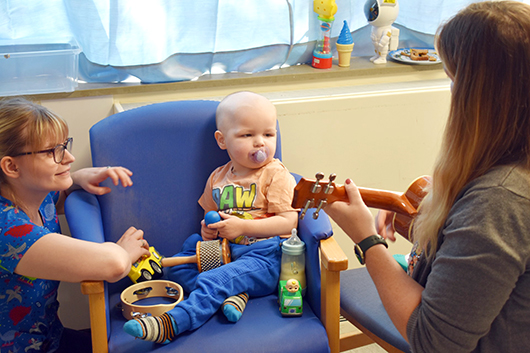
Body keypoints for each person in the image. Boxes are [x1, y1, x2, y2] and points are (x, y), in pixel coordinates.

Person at [325, 2, 530, 352]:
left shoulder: (499, 203)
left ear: (478, 97)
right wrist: (438, 204)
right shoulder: (509, 175)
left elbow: (434, 341)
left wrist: (366, 239)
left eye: (453, 79)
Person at [123, 91, 298, 343]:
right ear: (222, 140)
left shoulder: (275, 174)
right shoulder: (217, 177)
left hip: (265, 254)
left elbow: (289, 222)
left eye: (268, 134)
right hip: (224, 252)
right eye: (247, 135)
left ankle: (173, 323)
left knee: (214, 278)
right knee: (180, 267)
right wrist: (208, 230)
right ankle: (234, 293)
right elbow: (208, 221)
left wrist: (242, 227)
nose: (260, 143)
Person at [0, 98, 150, 353]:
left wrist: (78, 178)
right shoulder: (8, 230)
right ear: (11, 166)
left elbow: (58, 198)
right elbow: (113, 265)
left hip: (49, 337)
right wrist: (124, 250)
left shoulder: (35, 195)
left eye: (64, 146)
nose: (68, 157)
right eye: (51, 152)